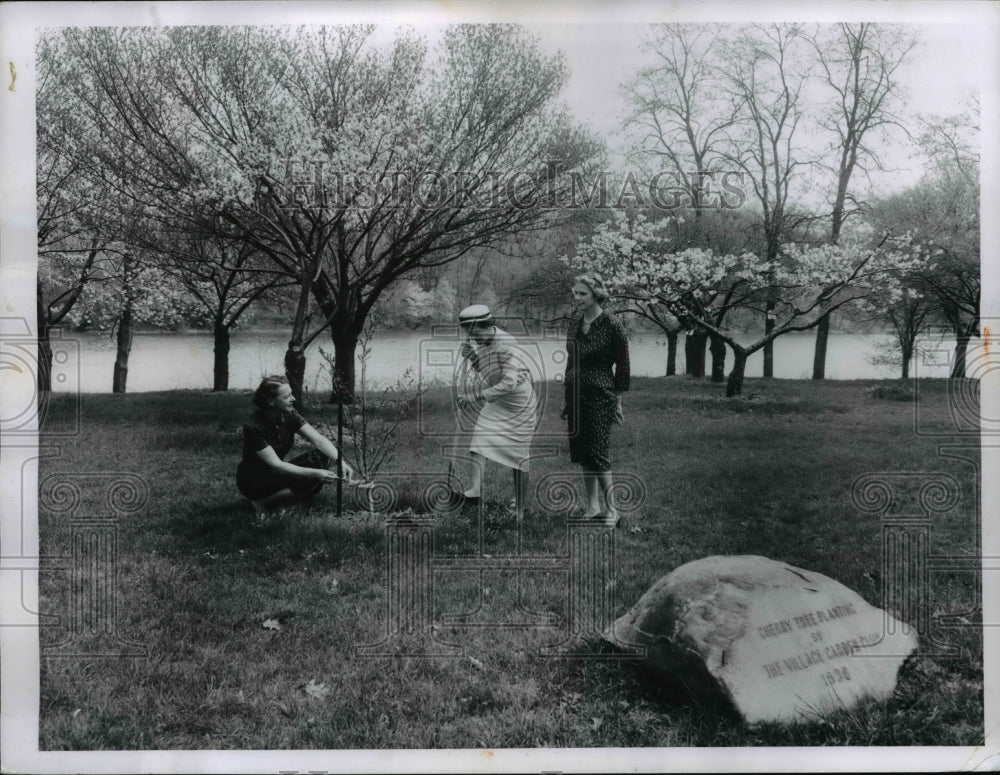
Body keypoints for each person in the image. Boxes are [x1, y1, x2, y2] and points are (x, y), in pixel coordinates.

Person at [450, 305, 538, 520]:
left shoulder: (507, 345)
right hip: (497, 402)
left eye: (475, 333)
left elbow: (508, 383)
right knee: (478, 442)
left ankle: (519, 511)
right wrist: (473, 357)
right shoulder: (483, 341)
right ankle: (475, 492)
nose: (473, 338)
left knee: (519, 458)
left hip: (519, 405)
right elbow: (489, 371)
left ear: (488, 326)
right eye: (469, 334)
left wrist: (475, 396)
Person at [560, 273, 630, 527]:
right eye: (575, 292)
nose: (576, 298)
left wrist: (618, 399)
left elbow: (623, 365)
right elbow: (571, 360)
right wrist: (566, 399)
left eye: (582, 293)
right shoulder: (575, 322)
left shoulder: (612, 324)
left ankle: (612, 510)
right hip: (575, 392)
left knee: (598, 451)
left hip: (600, 393)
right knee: (582, 451)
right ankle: (592, 506)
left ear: (596, 294)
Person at [236, 375, 356, 514]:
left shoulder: (289, 414)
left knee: (321, 457)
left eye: (291, 394)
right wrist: (316, 473)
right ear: (271, 401)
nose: (293, 399)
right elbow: (276, 464)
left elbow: (318, 439)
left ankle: (284, 500)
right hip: (254, 480)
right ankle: (261, 503)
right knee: (311, 476)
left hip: (276, 472)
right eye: (287, 397)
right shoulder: (254, 426)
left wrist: (340, 461)